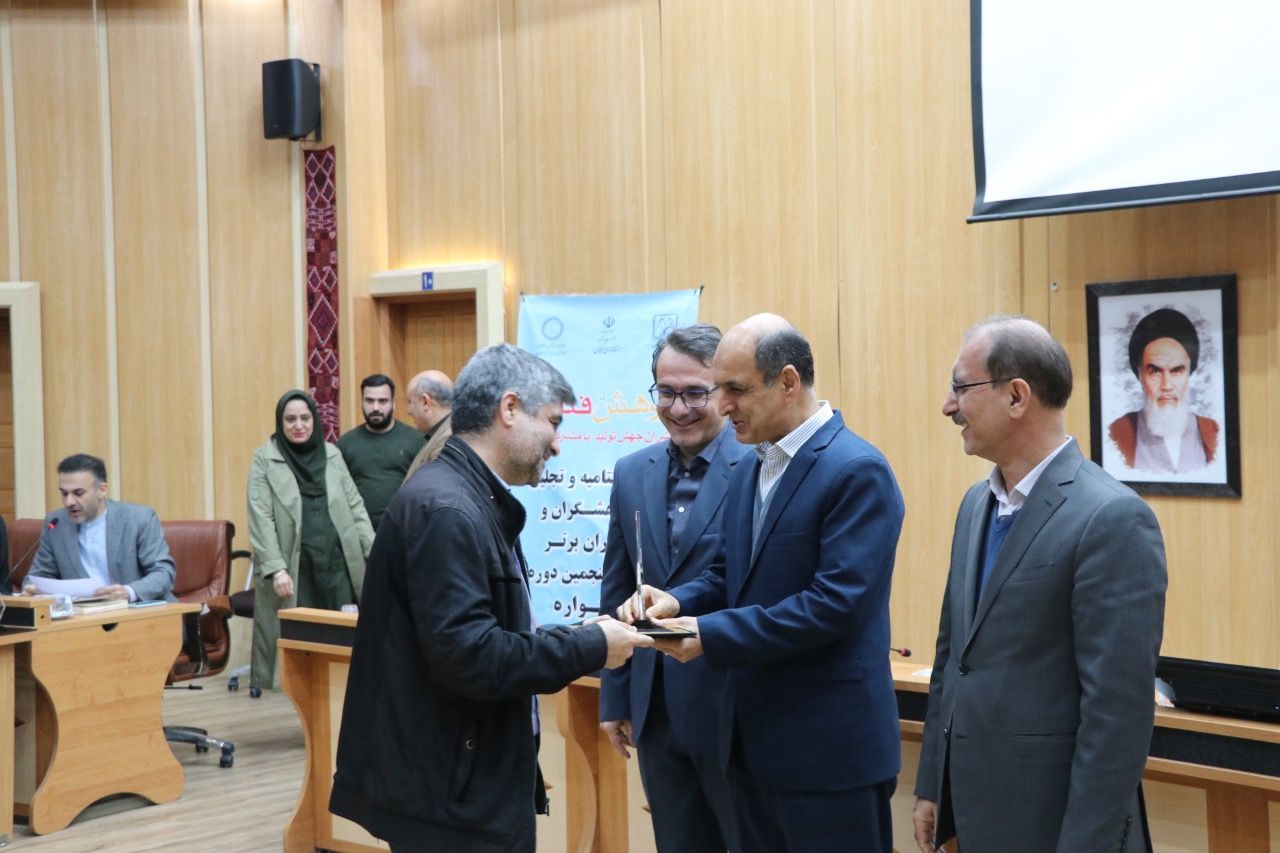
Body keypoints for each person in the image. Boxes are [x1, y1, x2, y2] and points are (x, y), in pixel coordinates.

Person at [329, 343, 653, 853]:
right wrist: (591, 645)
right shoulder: (448, 510)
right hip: (447, 799)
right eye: (552, 423)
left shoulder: (466, 498)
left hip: (453, 784)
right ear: (510, 409)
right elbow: (472, 658)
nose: (557, 444)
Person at [634, 314, 906, 853]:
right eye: (718, 388)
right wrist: (675, 601)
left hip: (829, 757)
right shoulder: (752, 467)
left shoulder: (856, 470)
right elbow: (726, 574)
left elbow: (833, 605)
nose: (722, 405)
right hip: (750, 751)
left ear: (788, 382)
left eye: (735, 389)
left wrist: (709, 634)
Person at [913, 316, 1167, 853]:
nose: (948, 406)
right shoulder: (975, 505)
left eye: (961, 387)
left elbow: (1117, 716)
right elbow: (953, 657)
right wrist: (933, 784)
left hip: (1058, 826)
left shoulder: (1111, 518)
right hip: (975, 816)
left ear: (1016, 396)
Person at [598, 324, 749, 853]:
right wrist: (615, 695)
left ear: (723, 392)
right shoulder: (630, 472)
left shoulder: (758, 465)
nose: (679, 408)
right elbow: (617, 586)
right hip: (656, 711)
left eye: (695, 394)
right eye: (666, 392)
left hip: (735, 711)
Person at [247, 390, 374, 692]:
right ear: (280, 423)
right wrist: (276, 568)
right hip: (295, 567)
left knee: (341, 638)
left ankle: (338, 706)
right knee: (301, 644)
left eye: (305, 418)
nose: (298, 425)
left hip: (338, 563)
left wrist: (375, 550)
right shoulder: (265, 459)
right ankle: (306, 708)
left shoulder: (332, 454)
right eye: (290, 419)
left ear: (315, 420)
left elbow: (355, 506)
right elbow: (260, 517)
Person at [23, 453, 175, 601]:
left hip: (139, 610)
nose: (69, 502)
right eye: (64, 493)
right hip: (84, 613)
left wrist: (129, 592)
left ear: (102, 490)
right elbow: (38, 575)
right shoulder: (56, 523)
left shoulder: (139, 519)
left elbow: (163, 572)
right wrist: (33, 588)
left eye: (78, 493)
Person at [1109, 307, 1218, 473]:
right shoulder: (1117, 433)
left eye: (1176, 371)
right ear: (1141, 376)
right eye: (1155, 372)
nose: (1166, 385)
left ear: (1188, 373)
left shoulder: (1213, 431)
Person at [337, 373, 426, 528]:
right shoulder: (346, 443)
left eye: (382, 401)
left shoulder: (416, 441)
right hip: (360, 531)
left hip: (405, 529)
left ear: (393, 403)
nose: (376, 408)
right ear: (362, 402)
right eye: (369, 401)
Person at [403, 369, 454, 481]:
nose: (408, 411)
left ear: (425, 402)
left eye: (410, 402)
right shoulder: (442, 433)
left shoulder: (447, 441)